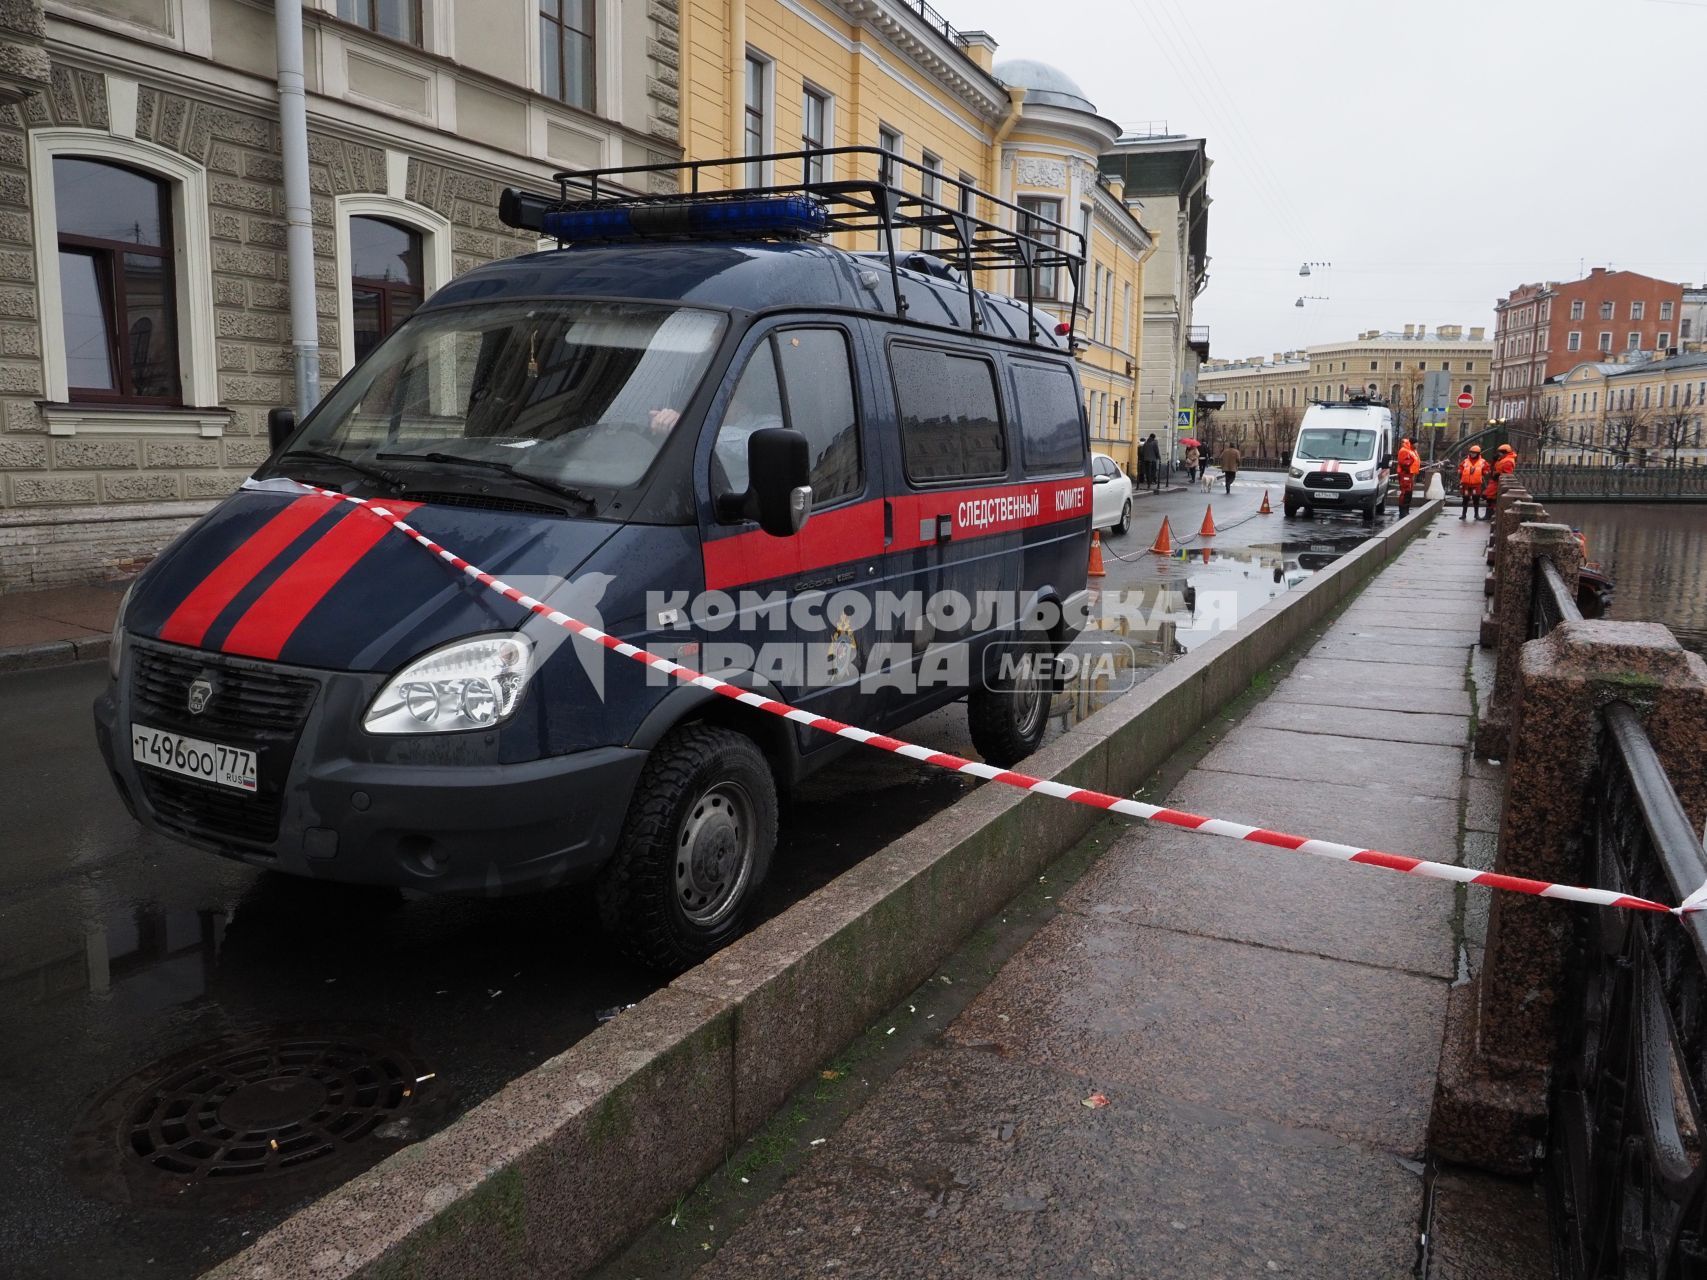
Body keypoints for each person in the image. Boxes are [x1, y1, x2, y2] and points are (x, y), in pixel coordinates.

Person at [1458, 444, 1488, 521]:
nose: (1472, 454)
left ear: (1478, 453)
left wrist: (1485, 472)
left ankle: (1476, 514)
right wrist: (1460, 472)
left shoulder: (1482, 462)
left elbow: (1486, 469)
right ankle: (1463, 514)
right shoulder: (1465, 461)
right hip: (1466, 484)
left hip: (1476, 484)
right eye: (1471, 452)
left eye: (1474, 453)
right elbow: (1460, 468)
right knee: (1465, 498)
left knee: (1476, 498)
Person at [1485, 442, 1515, 517]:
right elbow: (1494, 468)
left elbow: (1508, 474)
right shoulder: (1502, 459)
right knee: (1489, 498)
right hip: (1495, 482)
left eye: (1500, 452)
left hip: (1497, 482)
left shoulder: (1508, 461)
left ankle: (1490, 515)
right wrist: (1495, 461)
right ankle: (1489, 515)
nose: (1499, 454)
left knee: (1492, 499)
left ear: (1505, 453)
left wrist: (1499, 475)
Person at [1395, 436, 1421, 516]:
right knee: (1406, 492)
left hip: (1410, 474)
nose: (1417, 445)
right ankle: (1403, 511)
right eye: (1416, 443)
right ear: (1412, 443)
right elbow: (1404, 463)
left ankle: (1406, 510)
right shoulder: (1404, 451)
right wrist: (1410, 464)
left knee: (1408, 492)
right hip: (1405, 474)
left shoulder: (1412, 450)